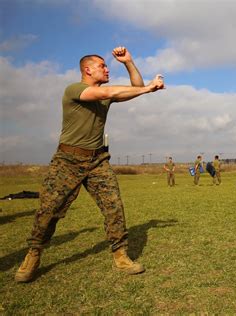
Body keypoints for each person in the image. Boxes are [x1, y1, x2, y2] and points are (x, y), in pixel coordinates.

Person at [15, 47, 165, 283]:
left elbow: (135, 88)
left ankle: (121, 255)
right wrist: (149, 89)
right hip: (68, 161)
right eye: (102, 66)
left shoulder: (106, 95)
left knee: (113, 206)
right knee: (49, 210)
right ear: (87, 69)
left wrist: (128, 62)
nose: (107, 69)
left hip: (97, 161)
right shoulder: (74, 89)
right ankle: (33, 254)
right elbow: (105, 94)